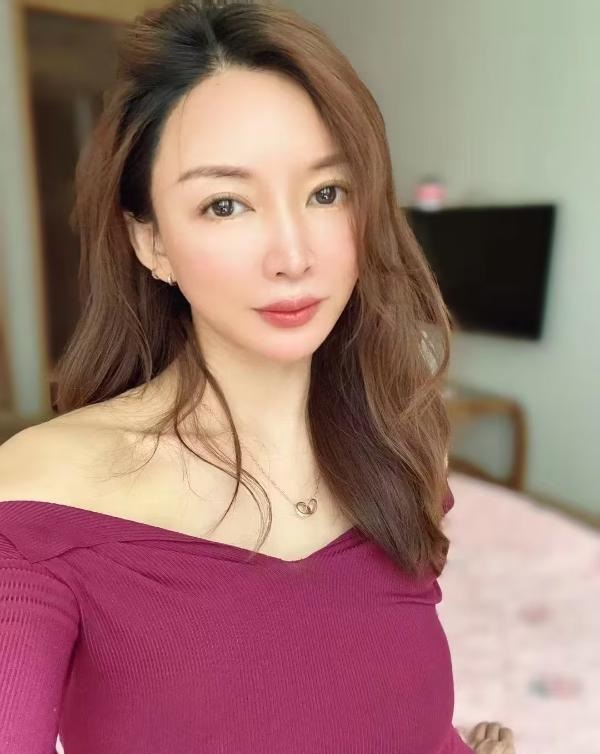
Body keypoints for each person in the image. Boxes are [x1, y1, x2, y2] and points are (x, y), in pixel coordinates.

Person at [0, 1, 515, 752]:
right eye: (226, 204)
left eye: (327, 192)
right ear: (151, 242)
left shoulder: (399, 444)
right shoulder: (41, 497)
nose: (293, 256)